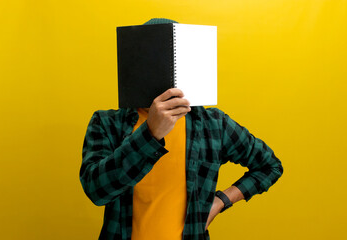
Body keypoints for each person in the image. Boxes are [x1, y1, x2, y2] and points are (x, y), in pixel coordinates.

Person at [79, 18, 284, 240]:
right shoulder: (107, 123)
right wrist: (151, 133)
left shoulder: (213, 124)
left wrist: (220, 201)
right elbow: (96, 191)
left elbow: (269, 165)